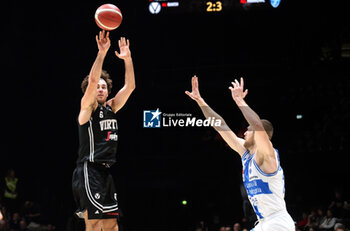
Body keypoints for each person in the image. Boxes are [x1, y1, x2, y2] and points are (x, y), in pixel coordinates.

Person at [186, 76, 294, 231]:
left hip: (277, 222)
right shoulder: (245, 152)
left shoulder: (267, 155)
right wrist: (200, 101)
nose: (244, 133)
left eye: (248, 130)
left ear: (258, 135)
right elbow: (220, 124)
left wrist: (239, 101)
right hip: (264, 222)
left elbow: (257, 125)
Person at [72, 30, 135, 231]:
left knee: (111, 225)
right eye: (97, 87)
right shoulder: (87, 109)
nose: (100, 88)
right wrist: (102, 53)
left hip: (106, 172)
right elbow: (91, 81)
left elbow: (130, 86)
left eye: (104, 87)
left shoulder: (111, 108)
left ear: (108, 92)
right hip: (89, 170)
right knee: (94, 224)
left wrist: (127, 59)